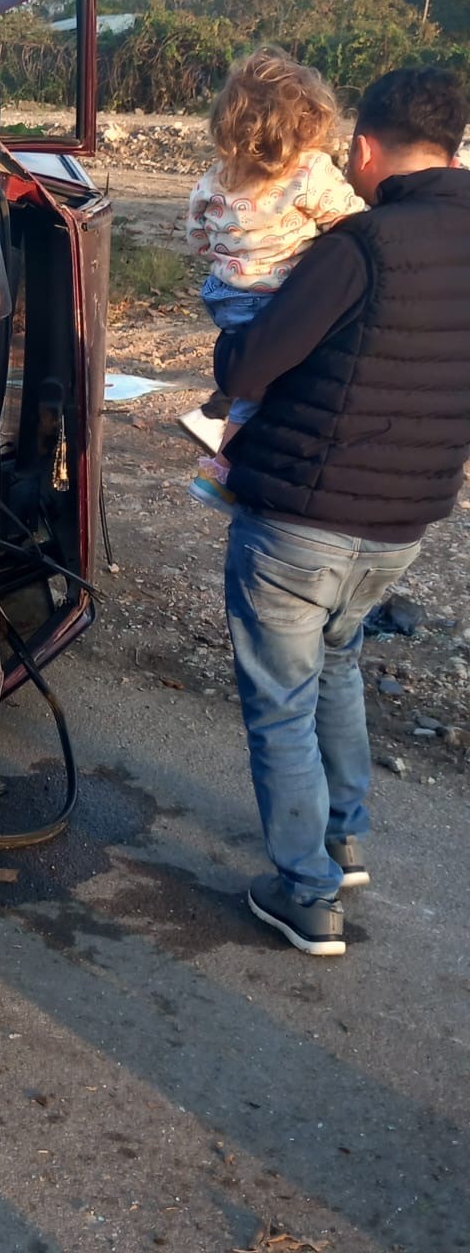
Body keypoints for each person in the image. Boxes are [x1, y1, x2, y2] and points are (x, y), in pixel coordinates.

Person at [214, 66, 470, 957]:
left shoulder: (361, 247)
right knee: (339, 663)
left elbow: (248, 370)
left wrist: (230, 343)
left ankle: (308, 892)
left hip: (303, 519)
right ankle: (344, 837)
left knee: (282, 699)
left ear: (364, 149)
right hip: (407, 521)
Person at [185, 49, 364, 512]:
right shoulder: (309, 171)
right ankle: (222, 470)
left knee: (250, 387)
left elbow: (198, 238)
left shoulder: (216, 176)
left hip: (225, 296)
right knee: (270, 394)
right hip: (276, 300)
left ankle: (223, 460)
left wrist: (230, 260)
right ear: (308, 120)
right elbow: (354, 221)